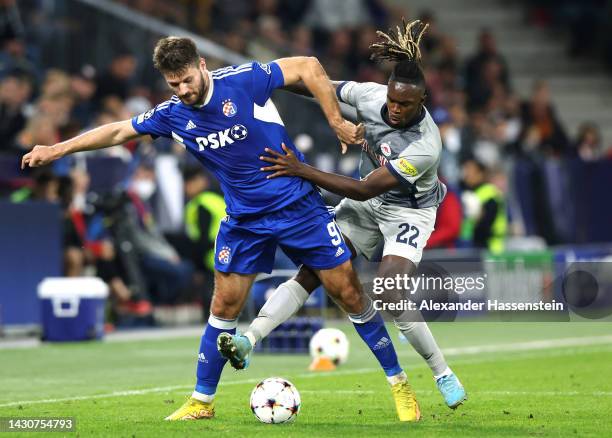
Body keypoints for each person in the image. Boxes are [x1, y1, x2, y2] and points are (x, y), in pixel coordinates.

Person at [22, 36, 419, 422]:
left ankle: (399, 383)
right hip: (244, 220)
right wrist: (57, 149)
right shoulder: (172, 113)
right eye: (173, 84)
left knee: (347, 292)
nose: (182, 89)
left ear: (202, 66)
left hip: (297, 205)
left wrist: (334, 120)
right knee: (223, 305)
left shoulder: (242, 81)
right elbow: (117, 131)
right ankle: (202, 401)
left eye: (187, 80)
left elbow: (308, 66)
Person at [221, 19, 467, 410]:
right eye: (393, 99)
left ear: (422, 103)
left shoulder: (426, 145)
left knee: (389, 289)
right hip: (367, 205)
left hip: (408, 210)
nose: (395, 108)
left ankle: (441, 372)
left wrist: (302, 170)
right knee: (315, 269)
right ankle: (249, 340)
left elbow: (366, 188)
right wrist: (271, 82)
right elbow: (318, 86)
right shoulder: (369, 95)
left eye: (405, 104)